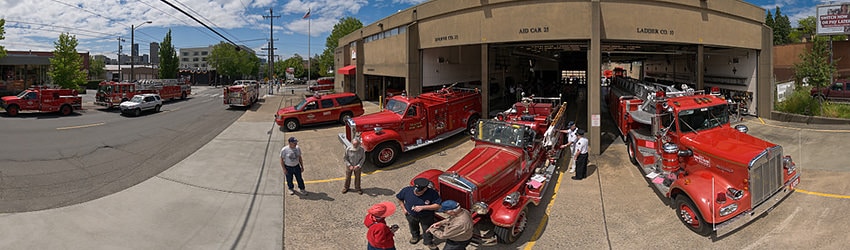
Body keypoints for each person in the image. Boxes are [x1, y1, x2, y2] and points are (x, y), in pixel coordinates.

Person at [396, 178, 442, 250]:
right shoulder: (407, 190)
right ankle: (415, 236)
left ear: (425, 189)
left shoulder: (432, 193)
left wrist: (423, 207)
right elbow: (399, 198)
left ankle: (429, 242)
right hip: (411, 215)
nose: (416, 193)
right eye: (415, 190)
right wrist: (404, 209)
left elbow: (438, 206)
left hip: (426, 216)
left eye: (419, 192)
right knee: (413, 226)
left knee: (428, 229)